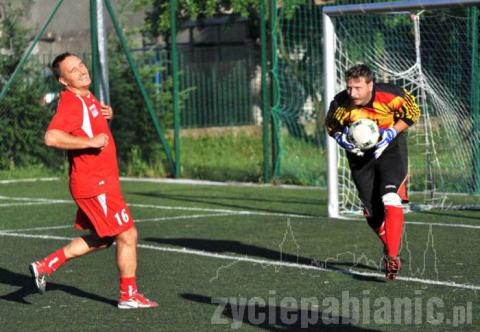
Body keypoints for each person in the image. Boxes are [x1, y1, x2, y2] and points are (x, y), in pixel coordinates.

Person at [29, 52, 158, 309]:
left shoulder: (86, 96)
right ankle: (128, 296)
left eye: (81, 65)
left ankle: (46, 265)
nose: (81, 71)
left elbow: (89, 125)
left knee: (105, 237)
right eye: (73, 70)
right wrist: (89, 142)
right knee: (128, 234)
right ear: (64, 81)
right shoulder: (71, 103)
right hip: (94, 185)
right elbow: (51, 137)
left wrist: (106, 115)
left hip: (102, 183)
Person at [325, 64, 421, 280]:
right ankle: (390, 247)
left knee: (390, 198)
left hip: (390, 151)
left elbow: (413, 113)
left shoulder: (392, 95)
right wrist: (342, 138)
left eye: (358, 88)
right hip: (360, 157)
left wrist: (391, 132)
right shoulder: (342, 103)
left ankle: (393, 257)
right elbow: (331, 126)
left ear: (370, 85)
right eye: (349, 87)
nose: (352, 93)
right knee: (372, 213)